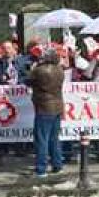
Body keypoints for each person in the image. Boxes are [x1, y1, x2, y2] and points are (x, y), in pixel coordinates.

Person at [27, 47, 65, 178]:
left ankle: (41, 169)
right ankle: (57, 165)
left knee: (42, 139)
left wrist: (33, 68)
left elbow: (27, 81)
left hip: (44, 107)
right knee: (54, 138)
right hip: (58, 106)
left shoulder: (39, 70)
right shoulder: (60, 70)